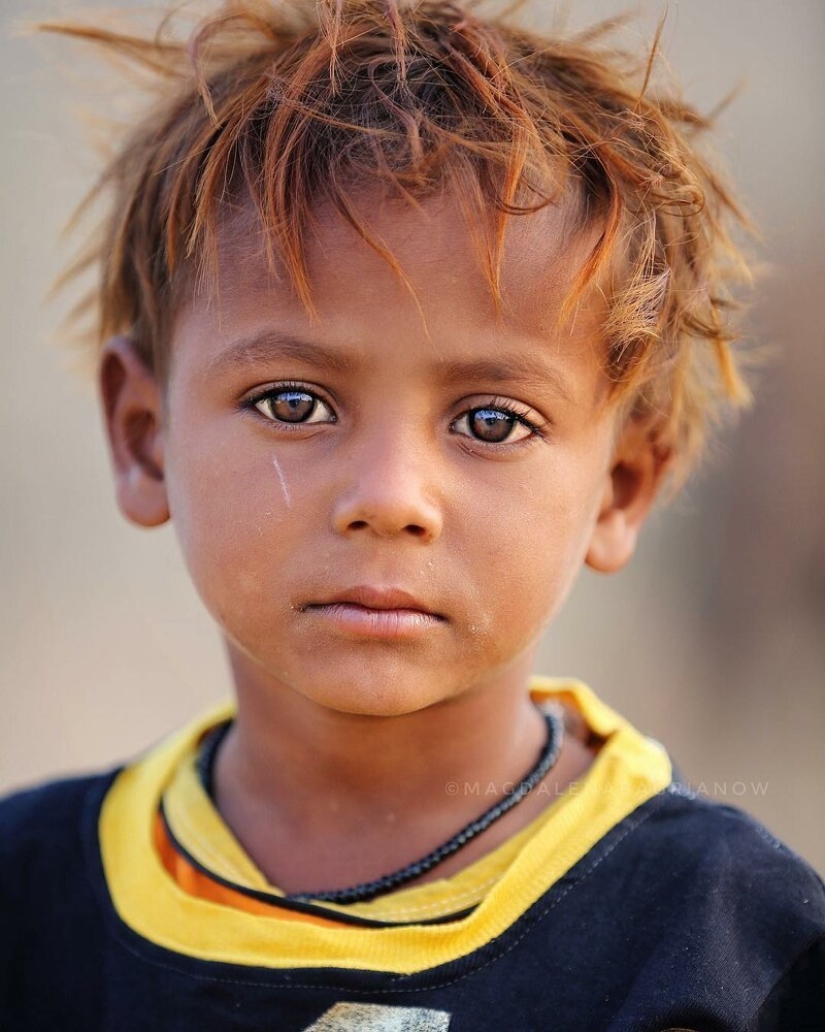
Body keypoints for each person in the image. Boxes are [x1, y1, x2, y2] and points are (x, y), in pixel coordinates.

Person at [2, 1, 823, 1028]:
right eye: (292, 404)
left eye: (491, 419)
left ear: (622, 487)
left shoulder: (732, 950)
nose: (390, 497)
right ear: (142, 436)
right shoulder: (29, 903)